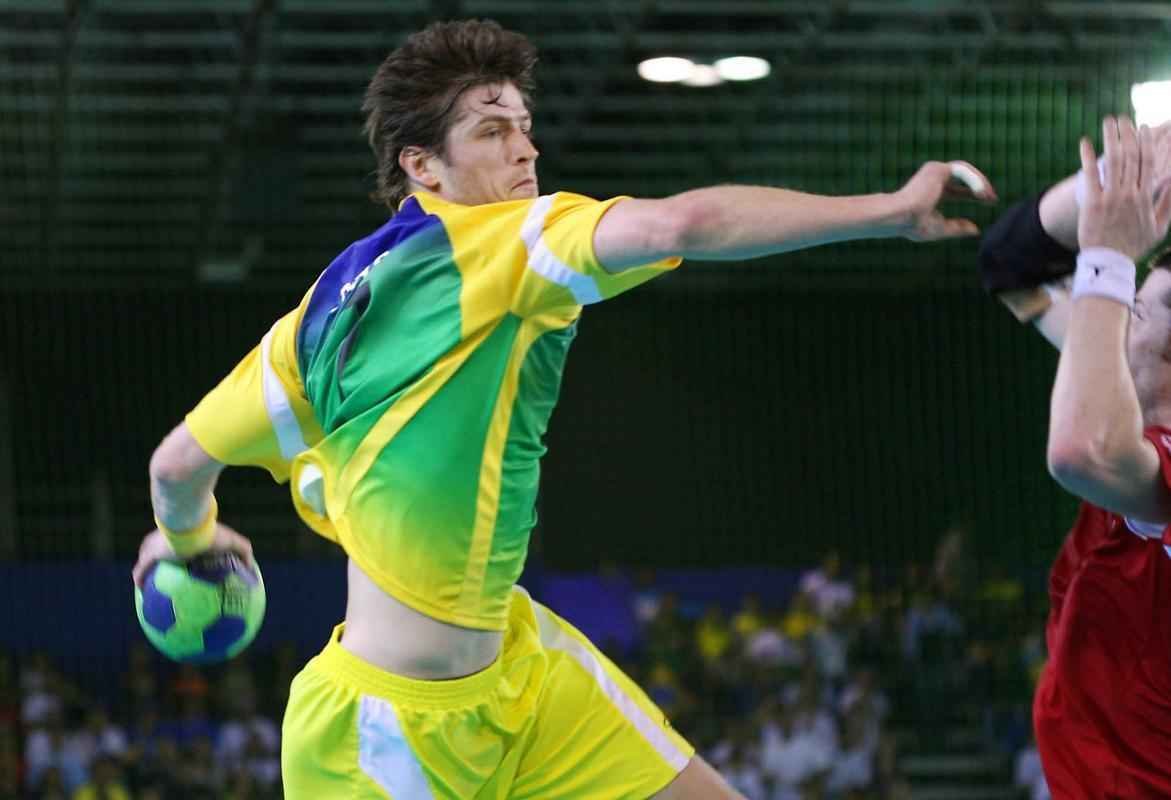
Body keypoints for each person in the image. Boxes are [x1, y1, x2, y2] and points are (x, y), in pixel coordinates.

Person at [131, 18, 994, 799]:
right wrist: (888, 211)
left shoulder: (313, 319)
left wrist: (189, 539)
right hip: (381, 736)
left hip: (522, 675)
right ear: (422, 166)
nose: (526, 149)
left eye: (524, 126)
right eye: (492, 131)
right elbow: (680, 225)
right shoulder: (503, 242)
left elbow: (176, 466)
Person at [978, 116, 1171, 797]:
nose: (1115, 316)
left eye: (1136, 310)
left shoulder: (1130, 444)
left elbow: (1082, 452)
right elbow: (1011, 269)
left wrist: (1110, 258)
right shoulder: (1131, 400)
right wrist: (1128, 181)